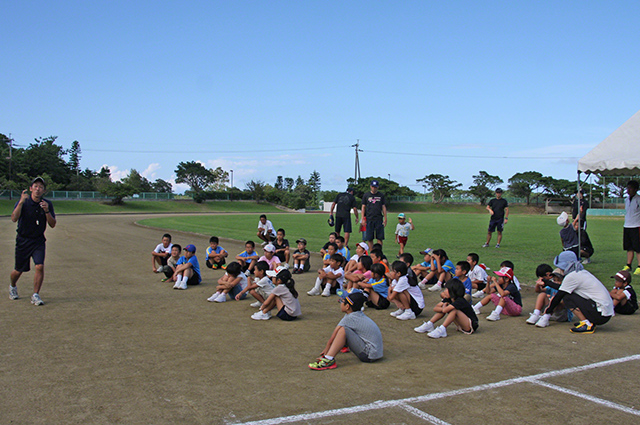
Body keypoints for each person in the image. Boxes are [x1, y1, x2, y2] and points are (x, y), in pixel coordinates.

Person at [534, 251, 614, 333]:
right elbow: (562, 288)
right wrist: (547, 283)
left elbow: (559, 295)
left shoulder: (572, 276)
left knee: (567, 297)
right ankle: (587, 321)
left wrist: (547, 314)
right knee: (569, 294)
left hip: (599, 314)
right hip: (604, 313)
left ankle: (586, 324)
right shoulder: (581, 272)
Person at [9, 177, 57, 305]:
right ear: (31, 189)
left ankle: (35, 294)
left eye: (40, 187)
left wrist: (46, 210)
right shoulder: (24, 202)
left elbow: (52, 224)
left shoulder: (47, 204)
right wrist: (20, 202)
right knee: (18, 270)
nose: (38, 189)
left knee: (39, 266)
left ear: (43, 190)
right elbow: (14, 218)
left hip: (38, 241)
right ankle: (13, 286)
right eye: (35, 186)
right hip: (23, 240)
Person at [308, 291, 383, 370]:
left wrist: (326, 351)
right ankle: (344, 345)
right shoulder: (357, 314)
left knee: (344, 330)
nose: (340, 304)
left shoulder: (350, 318)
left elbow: (333, 337)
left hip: (369, 355)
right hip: (375, 353)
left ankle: (328, 360)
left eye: (342, 302)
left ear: (347, 306)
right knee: (347, 329)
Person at [414, 279, 479, 338]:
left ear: (452, 291)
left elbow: (445, 310)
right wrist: (444, 307)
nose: (444, 291)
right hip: (461, 324)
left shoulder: (460, 300)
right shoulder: (449, 298)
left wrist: (444, 305)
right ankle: (430, 324)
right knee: (447, 309)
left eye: (446, 289)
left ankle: (442, 329)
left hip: (470, 325)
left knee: (453, 310)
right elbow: (435, 308)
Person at [361, 180, 388, 250]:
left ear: (378, 187)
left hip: (378, 218)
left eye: (375, 187)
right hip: (369, 218)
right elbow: (363, 207)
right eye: (372, 187)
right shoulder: (366, 195)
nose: (374, 188)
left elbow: (383, 207)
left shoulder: (381, 195)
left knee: (379, 237)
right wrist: (363, 218)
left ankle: (378, 252)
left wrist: (385, 218)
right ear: (370, 186)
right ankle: (372, 252)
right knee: (369, 238)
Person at [623, 180, 640, 275]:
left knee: (638, 248)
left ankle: (639, 266)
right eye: (627, 188)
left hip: (636, 226)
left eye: (630, 188)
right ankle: (628, 265)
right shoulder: (626, 199)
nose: (628, 190)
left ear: (635, 189)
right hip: (627, 225)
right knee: (629, 247)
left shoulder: (638, 199)